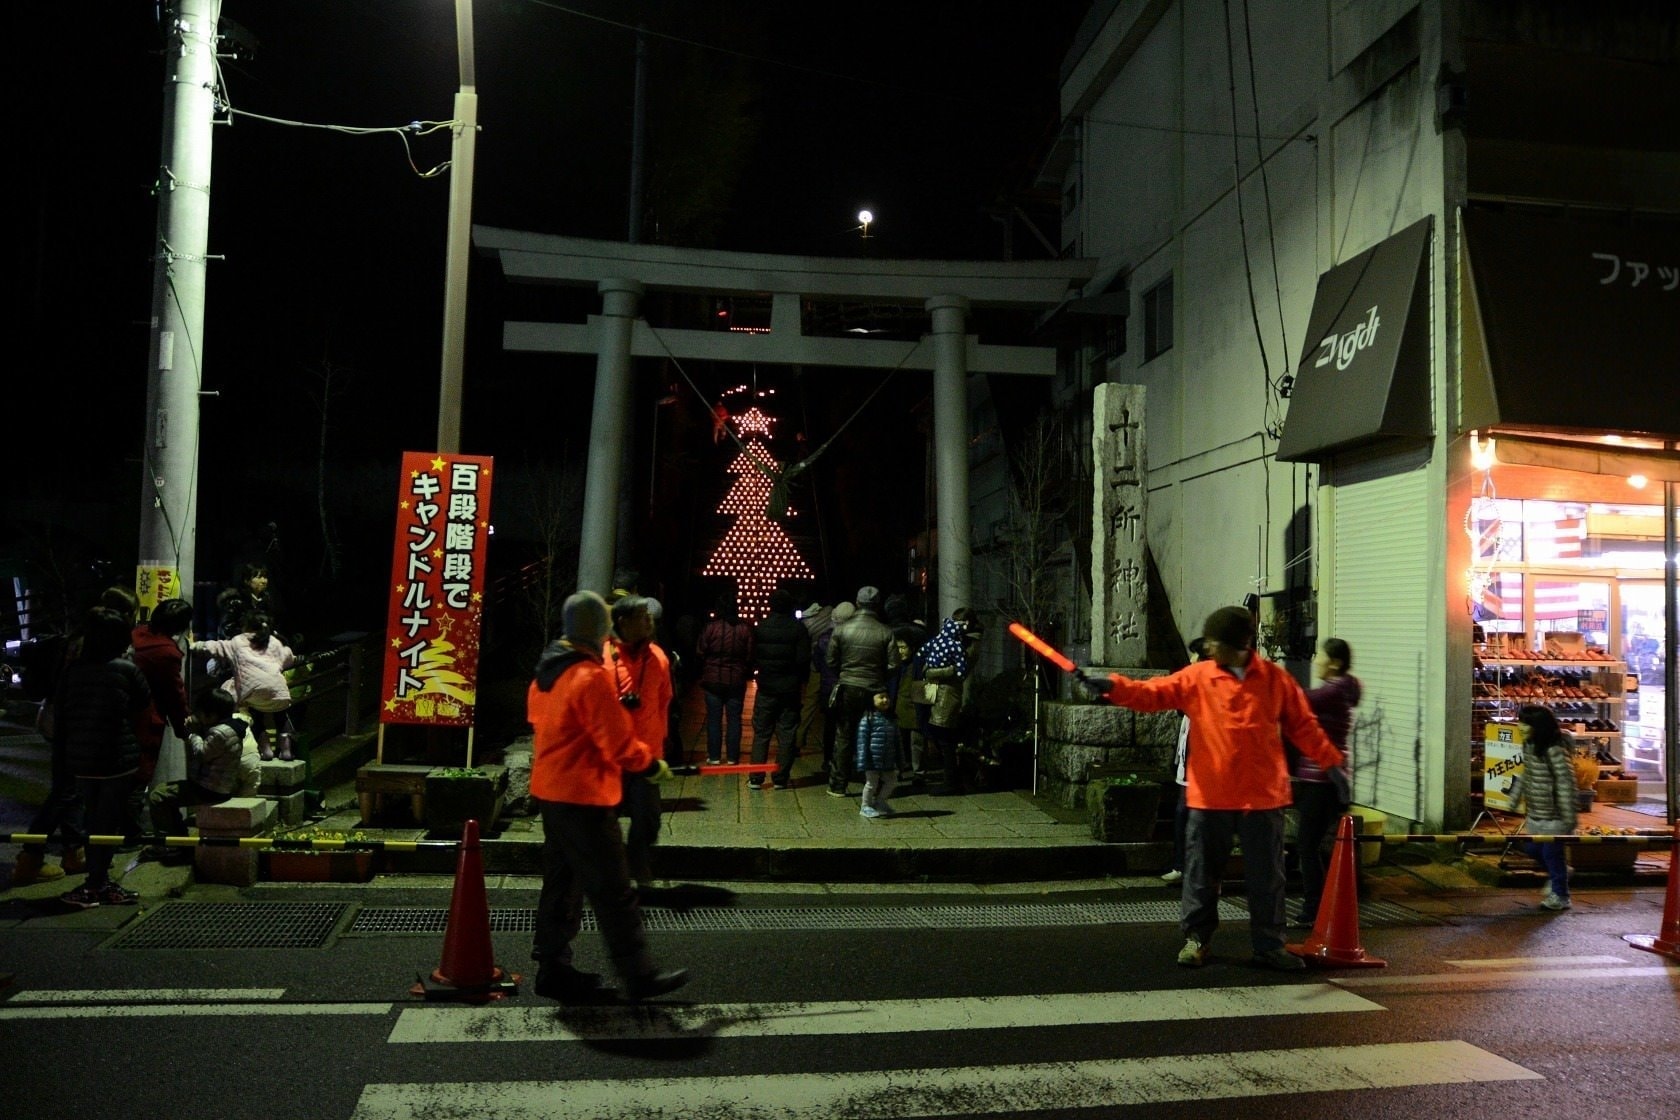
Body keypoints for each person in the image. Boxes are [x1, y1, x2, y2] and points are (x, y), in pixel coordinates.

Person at [1084, 606, 1345, 971]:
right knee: (1201, 874)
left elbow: (1304, 726)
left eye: (1214, 642)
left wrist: (1331, 763)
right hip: (1210, 796)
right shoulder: (1198, 677)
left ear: (1241, 645)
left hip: (1262, 797)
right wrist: (1114, 688)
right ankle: (1197, 938)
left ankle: (1269, 945)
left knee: (1267, 879)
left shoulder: (1274, 680)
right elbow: (1153, 693)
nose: (1208, 647)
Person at [527, 591, 688, 1003]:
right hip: (584, 798)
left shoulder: (546, 671)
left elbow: (545, 725)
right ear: (599, 628)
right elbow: (616, 741)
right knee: (614, 892)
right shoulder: (589, 676)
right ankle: (639, 976)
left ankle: (552, 966)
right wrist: (651, 764)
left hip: (551, 793)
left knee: (561, 884)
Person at [10, 586, 136, 886]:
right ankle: (30, 858)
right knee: (64, 793)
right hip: (74, 725)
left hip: (58, 718)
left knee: (70, 791)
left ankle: (73, 852)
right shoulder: (92, 644)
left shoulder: (77, 637)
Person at [55, 607, 152, 908]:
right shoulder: (126, 669)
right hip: (116, 758)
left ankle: (96, 881)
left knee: (92, 819)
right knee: (107, 825)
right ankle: (98, 884)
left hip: (82, 759)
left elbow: (63, 709)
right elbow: (143, 703)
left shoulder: (73, 669)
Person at [603, 594, 675, 892]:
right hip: (609, 757)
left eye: (649, 617)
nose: (649, 622)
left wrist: (658, 745)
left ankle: (638, 863)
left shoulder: (658, 657)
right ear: (622, 621)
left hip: (645, 753)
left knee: (649, 819)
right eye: (642, 617)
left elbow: (664, 701)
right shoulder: (601, 656)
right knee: (605, 821)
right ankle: (610, 873)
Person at [1291, 638, 1360, 927]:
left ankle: (1314, 909)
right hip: (1316, 778)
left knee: (1307, 844)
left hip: (1323, 779)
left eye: (1321, 655)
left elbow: (1297, 700)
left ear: (1334, 663)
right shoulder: (1337, 691)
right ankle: (1320, 904)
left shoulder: (1332, 692)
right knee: (1311, 844)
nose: (1316, 660)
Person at [146, 687, 248, 863]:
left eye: (201, 713)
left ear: (212, 715)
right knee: (164, 792)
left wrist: (191, 734)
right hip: (215, 785)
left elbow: (202, 753)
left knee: (157, 796)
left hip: (210, 789)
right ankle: (179, 840)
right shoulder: (229, 727)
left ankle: (169, 843)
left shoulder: (220, 733)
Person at [129, 597, 195, 834]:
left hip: (118, 715)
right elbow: (174, 693)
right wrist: (183, 726)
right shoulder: (166, 652)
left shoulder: (136, 635)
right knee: (138, 776)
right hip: (145, 719)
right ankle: (130, 832)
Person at [192, 613, 297, 761]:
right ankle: (286, 751)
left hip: (253, 690)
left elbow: (217, 647)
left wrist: (196, 645)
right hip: (278, 689)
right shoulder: (273, 641)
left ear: (246, 626)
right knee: (282, 717)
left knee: (257, 716)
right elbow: (288, 657)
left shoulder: (239, 641)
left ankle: (266, 751)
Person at [825, 587, 898, 797]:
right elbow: (894, 664)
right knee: (876, 735)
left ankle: (838, 784)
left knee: (844, 735)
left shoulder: (842, 630)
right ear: (877, 605)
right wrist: (879, 675)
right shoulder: (885, 631)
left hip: (848, 686)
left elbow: (830, 660)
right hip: (875, 689)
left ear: (857, 603)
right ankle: (875, 784)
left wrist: (845, 672)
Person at [1508, 705, 1578, 912]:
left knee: (1551, 854)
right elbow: (1526, 773)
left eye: (1525, 723)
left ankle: (1561, 895)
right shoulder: (1530, 745)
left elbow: (1566, 782)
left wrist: (1568, 817)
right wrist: (1514, 798)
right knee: (1532, 849)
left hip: (1555, 814)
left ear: (1538, 726)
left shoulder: (1554, 749)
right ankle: (1562, 873)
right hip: (1537, 813)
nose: (1519, 726)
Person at [749, 589, 811, 790]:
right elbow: (802, 659)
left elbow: (754, 655)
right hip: (789, 688)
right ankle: (781, 777)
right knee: (786, 733)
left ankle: (756, 777)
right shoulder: (798, 629)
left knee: (762, 732)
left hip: (766, 686)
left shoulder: (762, 627)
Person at [1162, 637, 1209, 884]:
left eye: (1194, 658)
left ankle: (1188, 868)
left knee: (1190, 819)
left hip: (1199, 771)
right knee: (1184, 818)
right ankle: (1184, 867)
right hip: (1186, 768)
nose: (1189, 662)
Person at [921, 608, 978, 796]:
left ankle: (951, 782)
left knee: (945, 738)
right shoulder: (957, 640)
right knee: (943, 737)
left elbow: (959, 671)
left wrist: (934, 672)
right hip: (941, 692)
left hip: (947, 694)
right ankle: (952, 780)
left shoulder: (968, 643)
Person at [695, 596, 753, 765]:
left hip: (713, 679)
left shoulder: (711, 628)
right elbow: (749, 655)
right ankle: (732, 756)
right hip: (736, 679)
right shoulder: (744, 629)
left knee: (714, 718)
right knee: (734, 719)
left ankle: (714, 756)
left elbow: (700, 650)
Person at [812, 601, 854, 775]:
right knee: (847, 726)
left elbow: (817, 664)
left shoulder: (823, 639)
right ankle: (844, 761)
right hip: (848, 686)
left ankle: (827, 759)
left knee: (829, 726)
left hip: (828, 688)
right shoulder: (851, 639)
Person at [855, 691, 902, 818]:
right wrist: (862, 760)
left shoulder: (892, 719)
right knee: (871, 783)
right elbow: (862, 742)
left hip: (887, 759)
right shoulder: (868, 719)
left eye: (887, 697)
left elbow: (898, 741)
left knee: (891, 780)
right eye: (881, 697)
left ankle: (880, 801)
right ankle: (865, 806)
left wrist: (900, 760)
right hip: (872, 759)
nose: (885, 700)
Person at [216, 562, 280, 641]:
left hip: (261, 645)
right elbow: (227, 629)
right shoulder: (235, 601)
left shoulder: (267, 601)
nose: (263, 581)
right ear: (246, 580)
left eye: (265, 577)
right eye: (259, 577)